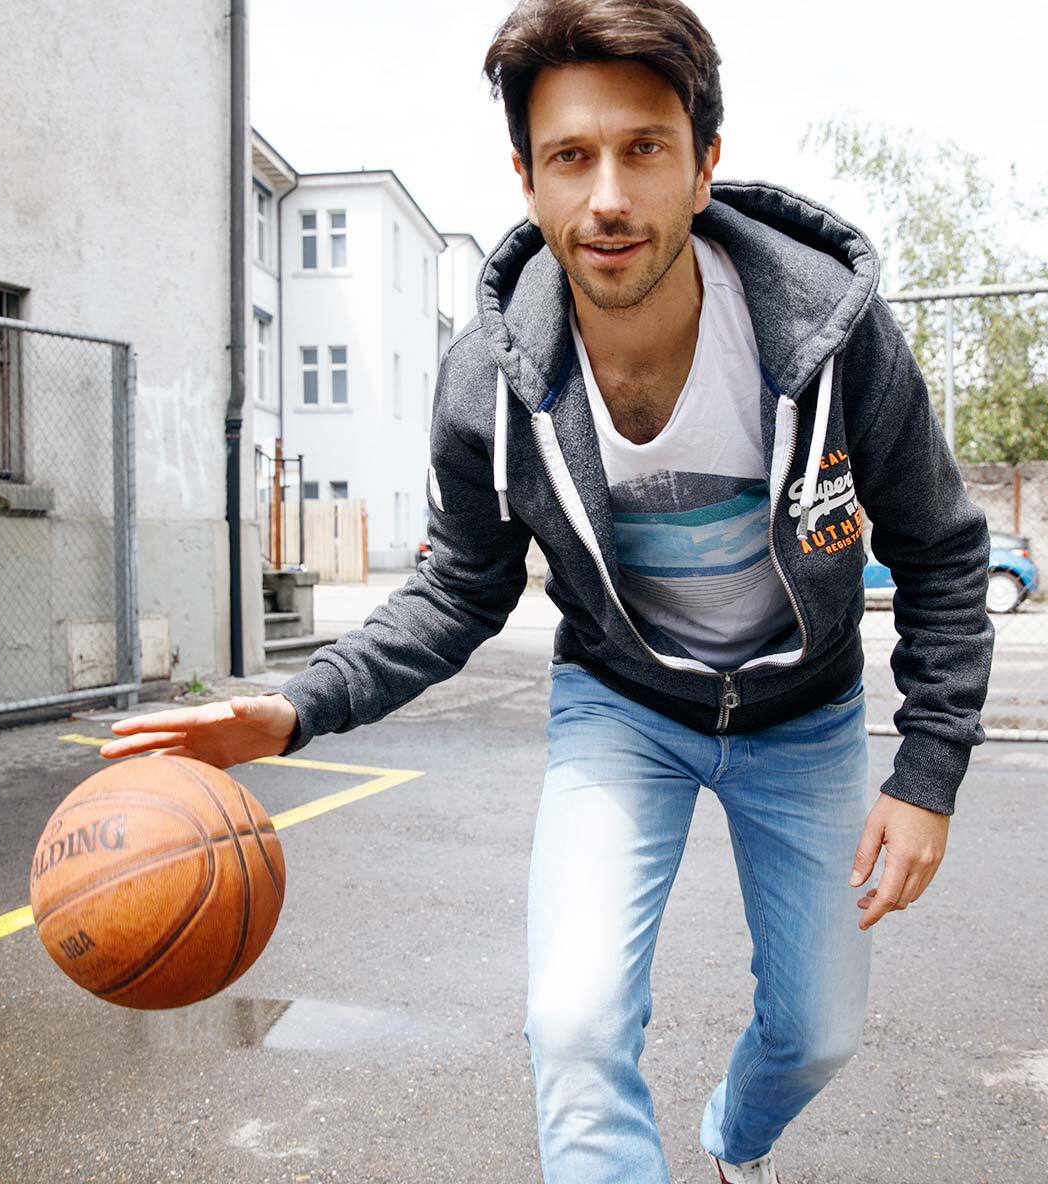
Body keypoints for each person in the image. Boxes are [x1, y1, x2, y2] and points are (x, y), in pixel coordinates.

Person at [101, 1, 994, 1179]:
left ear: (703, 166)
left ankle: (734, 1138)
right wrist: (296, 707)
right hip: (625, 710)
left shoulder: (829, 335)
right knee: (573, 1027)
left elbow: (940, 548)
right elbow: (460, 590)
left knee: (818, 1030)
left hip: (804, 714)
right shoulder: (489, 382)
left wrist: (927, 769)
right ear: (526, 180)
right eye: (570, 156)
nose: (607, 197)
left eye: (644, 149)